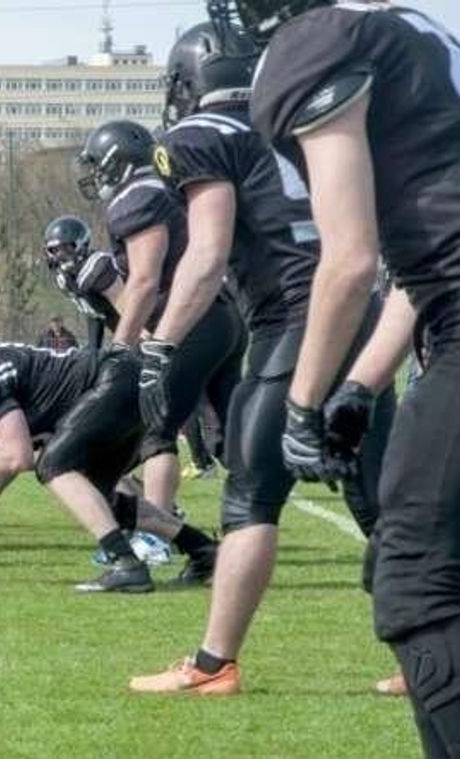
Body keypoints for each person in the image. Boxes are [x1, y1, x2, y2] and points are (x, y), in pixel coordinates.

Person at [128, 20, 395, 696]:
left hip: (295, 321)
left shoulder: (196, 137)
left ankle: (214, 665)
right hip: (363, 317)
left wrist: (160, 343)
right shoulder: (298, 115)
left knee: (251, 495)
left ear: (190, 78)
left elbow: (208, 251)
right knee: (380, 498)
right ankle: (432, 649)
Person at [238, 1, 460, 752]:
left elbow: (351, 261)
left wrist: (301, 403)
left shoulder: (319, 42)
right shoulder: (417, 34)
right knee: (404, 559)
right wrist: (359, 387)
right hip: (445, 311)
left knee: (414, 580)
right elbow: (418, 271)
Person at [0, 336, 219, 591]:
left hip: (114, 380)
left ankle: (127, 564)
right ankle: (203, 549)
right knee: (100, 500)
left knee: (53, 466)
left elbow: (18, 456)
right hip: (119, 383)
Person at [75, 119, 247, 515]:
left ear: (118, 161)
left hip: (189, 322)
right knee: (228, 438)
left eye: (99, 163)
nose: (97, 173)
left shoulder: (136, 197)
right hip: (222, 316)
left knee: (156, 429)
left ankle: (160, 531)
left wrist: (120, 349)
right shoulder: (168, 187)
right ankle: (249, 520)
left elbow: (145, 281)